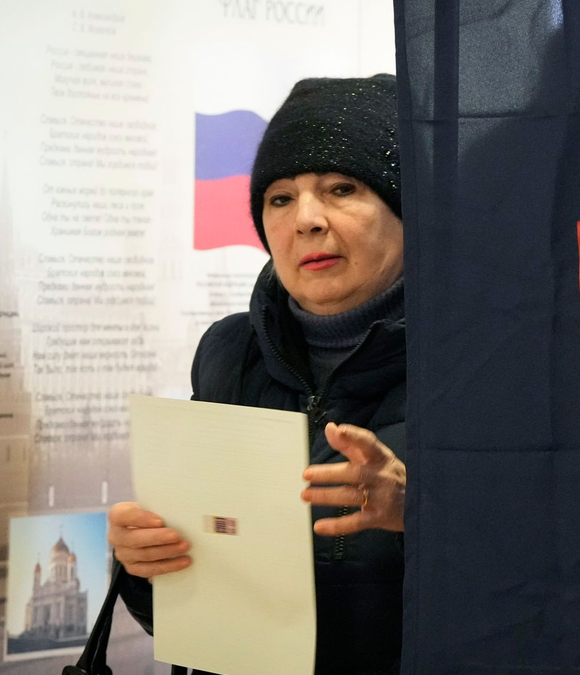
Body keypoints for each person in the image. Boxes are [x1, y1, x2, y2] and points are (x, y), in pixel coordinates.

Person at [107, 74, 408, 675]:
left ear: (410, 208)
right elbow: (200, 603)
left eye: (341, 188)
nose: (306, 220)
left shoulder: (482, 362)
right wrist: (144, 563)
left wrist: (419, 514)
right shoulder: (229, 353)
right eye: (279, 198)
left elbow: (531, 581)